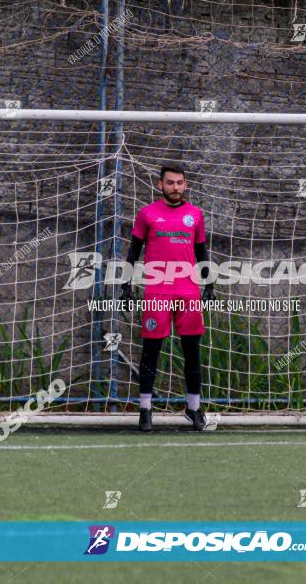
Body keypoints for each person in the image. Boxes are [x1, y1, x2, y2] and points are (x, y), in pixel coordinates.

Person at [120, 165, 216, 432]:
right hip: (157, 292)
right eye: (170, 182)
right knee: (151, 352)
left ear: (186, 185)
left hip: (188, 292)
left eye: (180, 183)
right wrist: (125, 286)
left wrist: (209, 285)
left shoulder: (195, 215)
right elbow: (133, 252)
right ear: (159, 184)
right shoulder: (146, 214)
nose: (175, 187)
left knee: (192, 353)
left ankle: (194, 409)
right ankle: (145, 409)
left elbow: (201, 252)